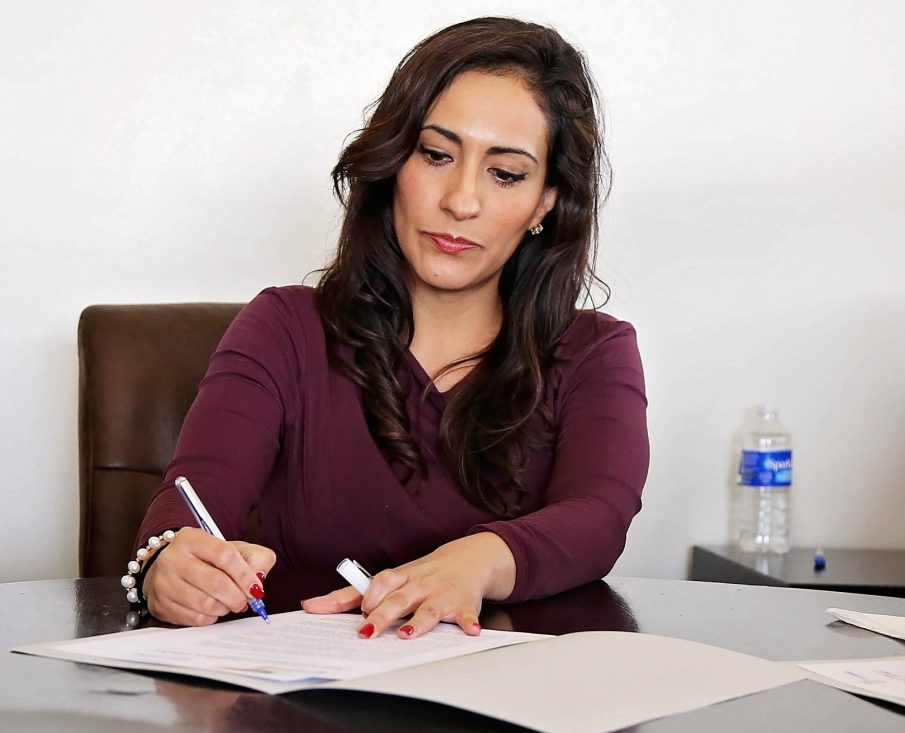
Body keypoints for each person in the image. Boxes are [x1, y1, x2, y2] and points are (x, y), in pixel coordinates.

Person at [130, 16, 649, 638]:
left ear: (545, 201)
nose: (461, 201)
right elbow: (191, 501)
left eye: (505, 173)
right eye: (436, 155)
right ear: (394, 162)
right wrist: (169, 563)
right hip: (301, 703)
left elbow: (599, 516)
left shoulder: (595, 351)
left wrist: (472, 562)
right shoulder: (283, 327)